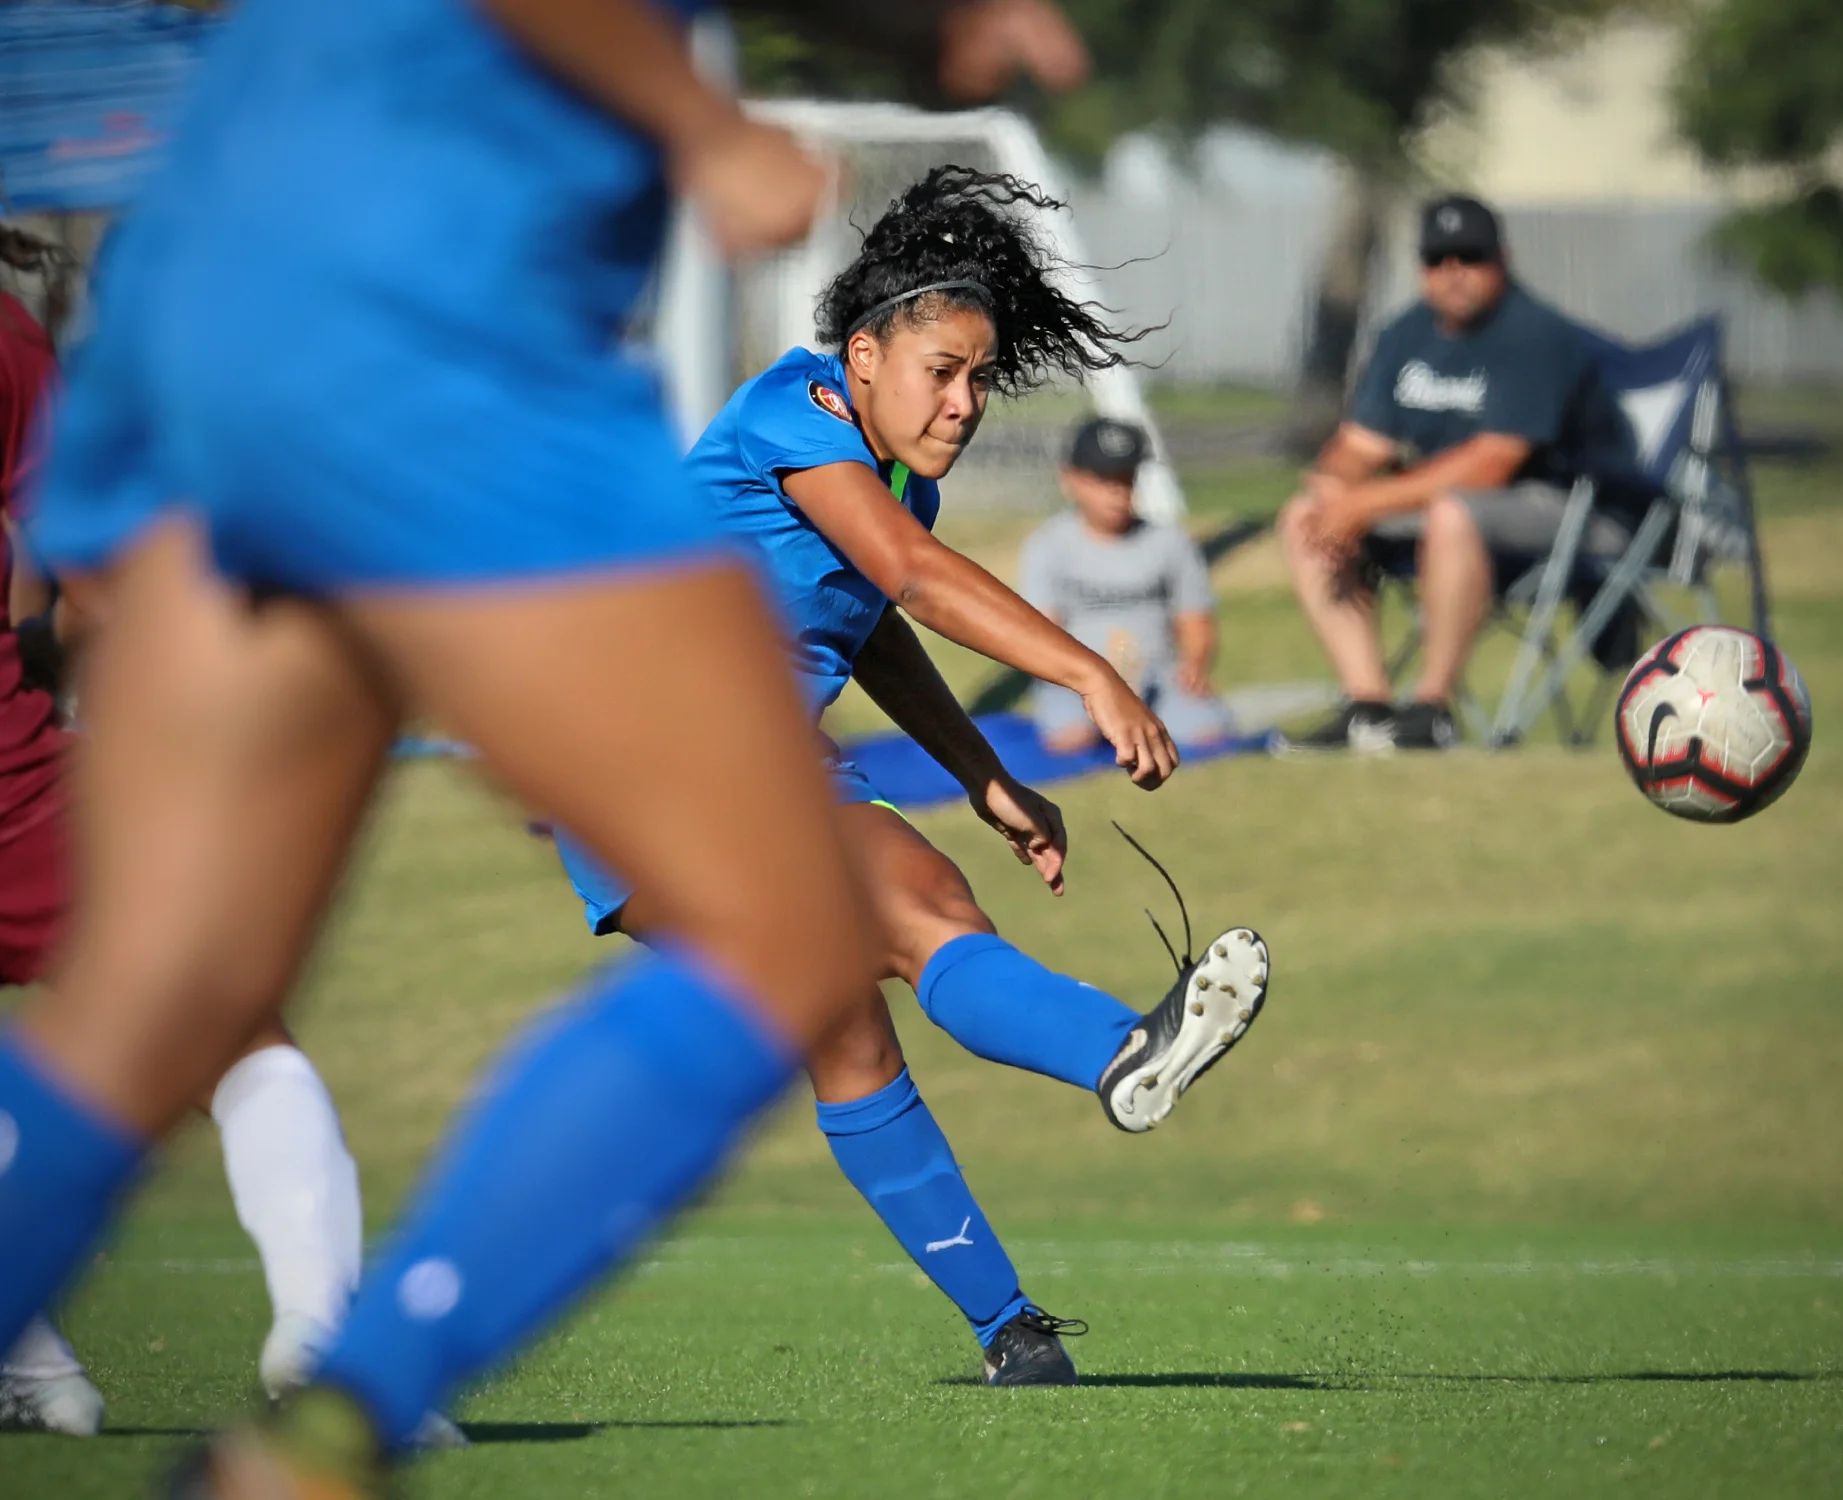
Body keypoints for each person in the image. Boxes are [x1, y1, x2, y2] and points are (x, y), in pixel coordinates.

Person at [0, 2, 1093, 1496]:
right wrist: (707, 127)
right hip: (435, 328)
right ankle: (339, 1423)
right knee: (796, 930)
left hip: (206, 307)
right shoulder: (800, 415)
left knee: (162, 998)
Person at [553, 168, 1270, 1385]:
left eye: (983, 378)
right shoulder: (797, 406)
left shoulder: (896, 476)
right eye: (944, 370)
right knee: (906, 917)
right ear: (865, 354)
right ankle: (1119, 1049)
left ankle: (1013, 1334)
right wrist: (1090, 671)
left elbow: (877, 622)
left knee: (871, 1009)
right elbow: (912, 575)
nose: (965, 400)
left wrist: (983, 771)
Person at [1, 284, 455, 1445]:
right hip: (19, 762)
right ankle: (319, 1340)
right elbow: (69, 580)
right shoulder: (14, 338)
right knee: (236, 1030)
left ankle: (36, 1364)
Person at [1273, 193, 1634, 753]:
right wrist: (1336, 487)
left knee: (1452, 512)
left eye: (1470, 257)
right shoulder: (1405, 335)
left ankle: (1431, 712)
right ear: (1421, 267)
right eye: (1438, 260)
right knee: (1303, 517)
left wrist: (1365, 505)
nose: (1454, 273)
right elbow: (1360, 444)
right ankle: (1367, 706)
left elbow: (1494, 462)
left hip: (1574, 509)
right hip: (1462, 506)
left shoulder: (1535, 334)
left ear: (1503, 259)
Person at [1019, 416, 1235, 754]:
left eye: (1127, 479)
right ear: (1070, 479)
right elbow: (1041, 631)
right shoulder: (1048, 546)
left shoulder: (1169, 542)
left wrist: (1194, 665)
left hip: (1158, 677)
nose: (1117, 492)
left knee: (1207, 736)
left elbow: (1195, 619)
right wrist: (1094, 679)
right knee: (1071, 741)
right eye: (1104, 480)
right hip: (1076, 680)